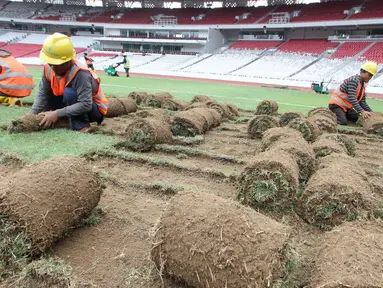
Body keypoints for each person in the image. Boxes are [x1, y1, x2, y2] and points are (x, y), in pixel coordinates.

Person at [29, 33, 108, 132]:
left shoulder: (81, 73)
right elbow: (43, 94)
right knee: (48, 98)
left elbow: (85, 104)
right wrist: (30, 116)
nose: (53, 68)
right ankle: (66, 120)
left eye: (57, 64)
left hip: (93, 110)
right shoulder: (48, 69)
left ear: (68, 61)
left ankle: (82, 126)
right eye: (50, 63)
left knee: (69, 92)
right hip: (67, 104)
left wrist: (56, 114)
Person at [328, 61, 377, 125]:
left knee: (355, 118)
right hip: (336, 105)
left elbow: (362, 102)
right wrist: (362, 111)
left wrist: (371, 113)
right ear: (363, 71)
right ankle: (330, 118)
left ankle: (342, 115)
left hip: (346, 107)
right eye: (370, 75)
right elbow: (352, 98)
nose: (370, 77)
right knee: (342, 121)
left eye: (372, 75)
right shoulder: (353, 81)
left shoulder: (362, 84)